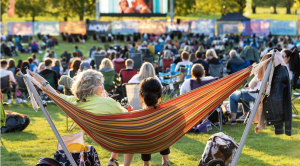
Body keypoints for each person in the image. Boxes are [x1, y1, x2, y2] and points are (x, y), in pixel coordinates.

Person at [30, 69, 131, 166]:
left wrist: (40, 79)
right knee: (131, 125)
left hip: (102, 138)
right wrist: (109, 100)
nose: (102, 87)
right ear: (93, 87)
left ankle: (113, 159)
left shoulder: (72, 102)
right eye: (100, 84)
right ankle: (117, 160)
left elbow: (53, 93)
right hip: (117, 139)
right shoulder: (108, 102)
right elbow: (128, 117)